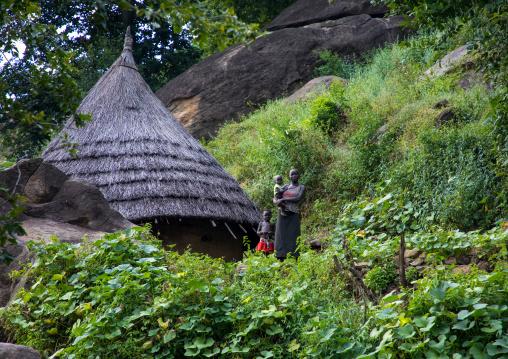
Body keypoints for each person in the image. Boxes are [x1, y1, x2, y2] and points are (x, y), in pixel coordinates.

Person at [273, 169, 306, 261]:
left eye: (296, 174)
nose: (294, 176)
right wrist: (276, 201)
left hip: (293, 213)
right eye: (292, 174)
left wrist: (283, 200)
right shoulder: (285, 186)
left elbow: (298, 198)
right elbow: (276, 195)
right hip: (282, 214)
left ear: (299, 176)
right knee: (280, 235)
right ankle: (280, 257)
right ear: (289, 176)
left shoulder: (301, 187)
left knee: (294, 235)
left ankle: (295, 257)